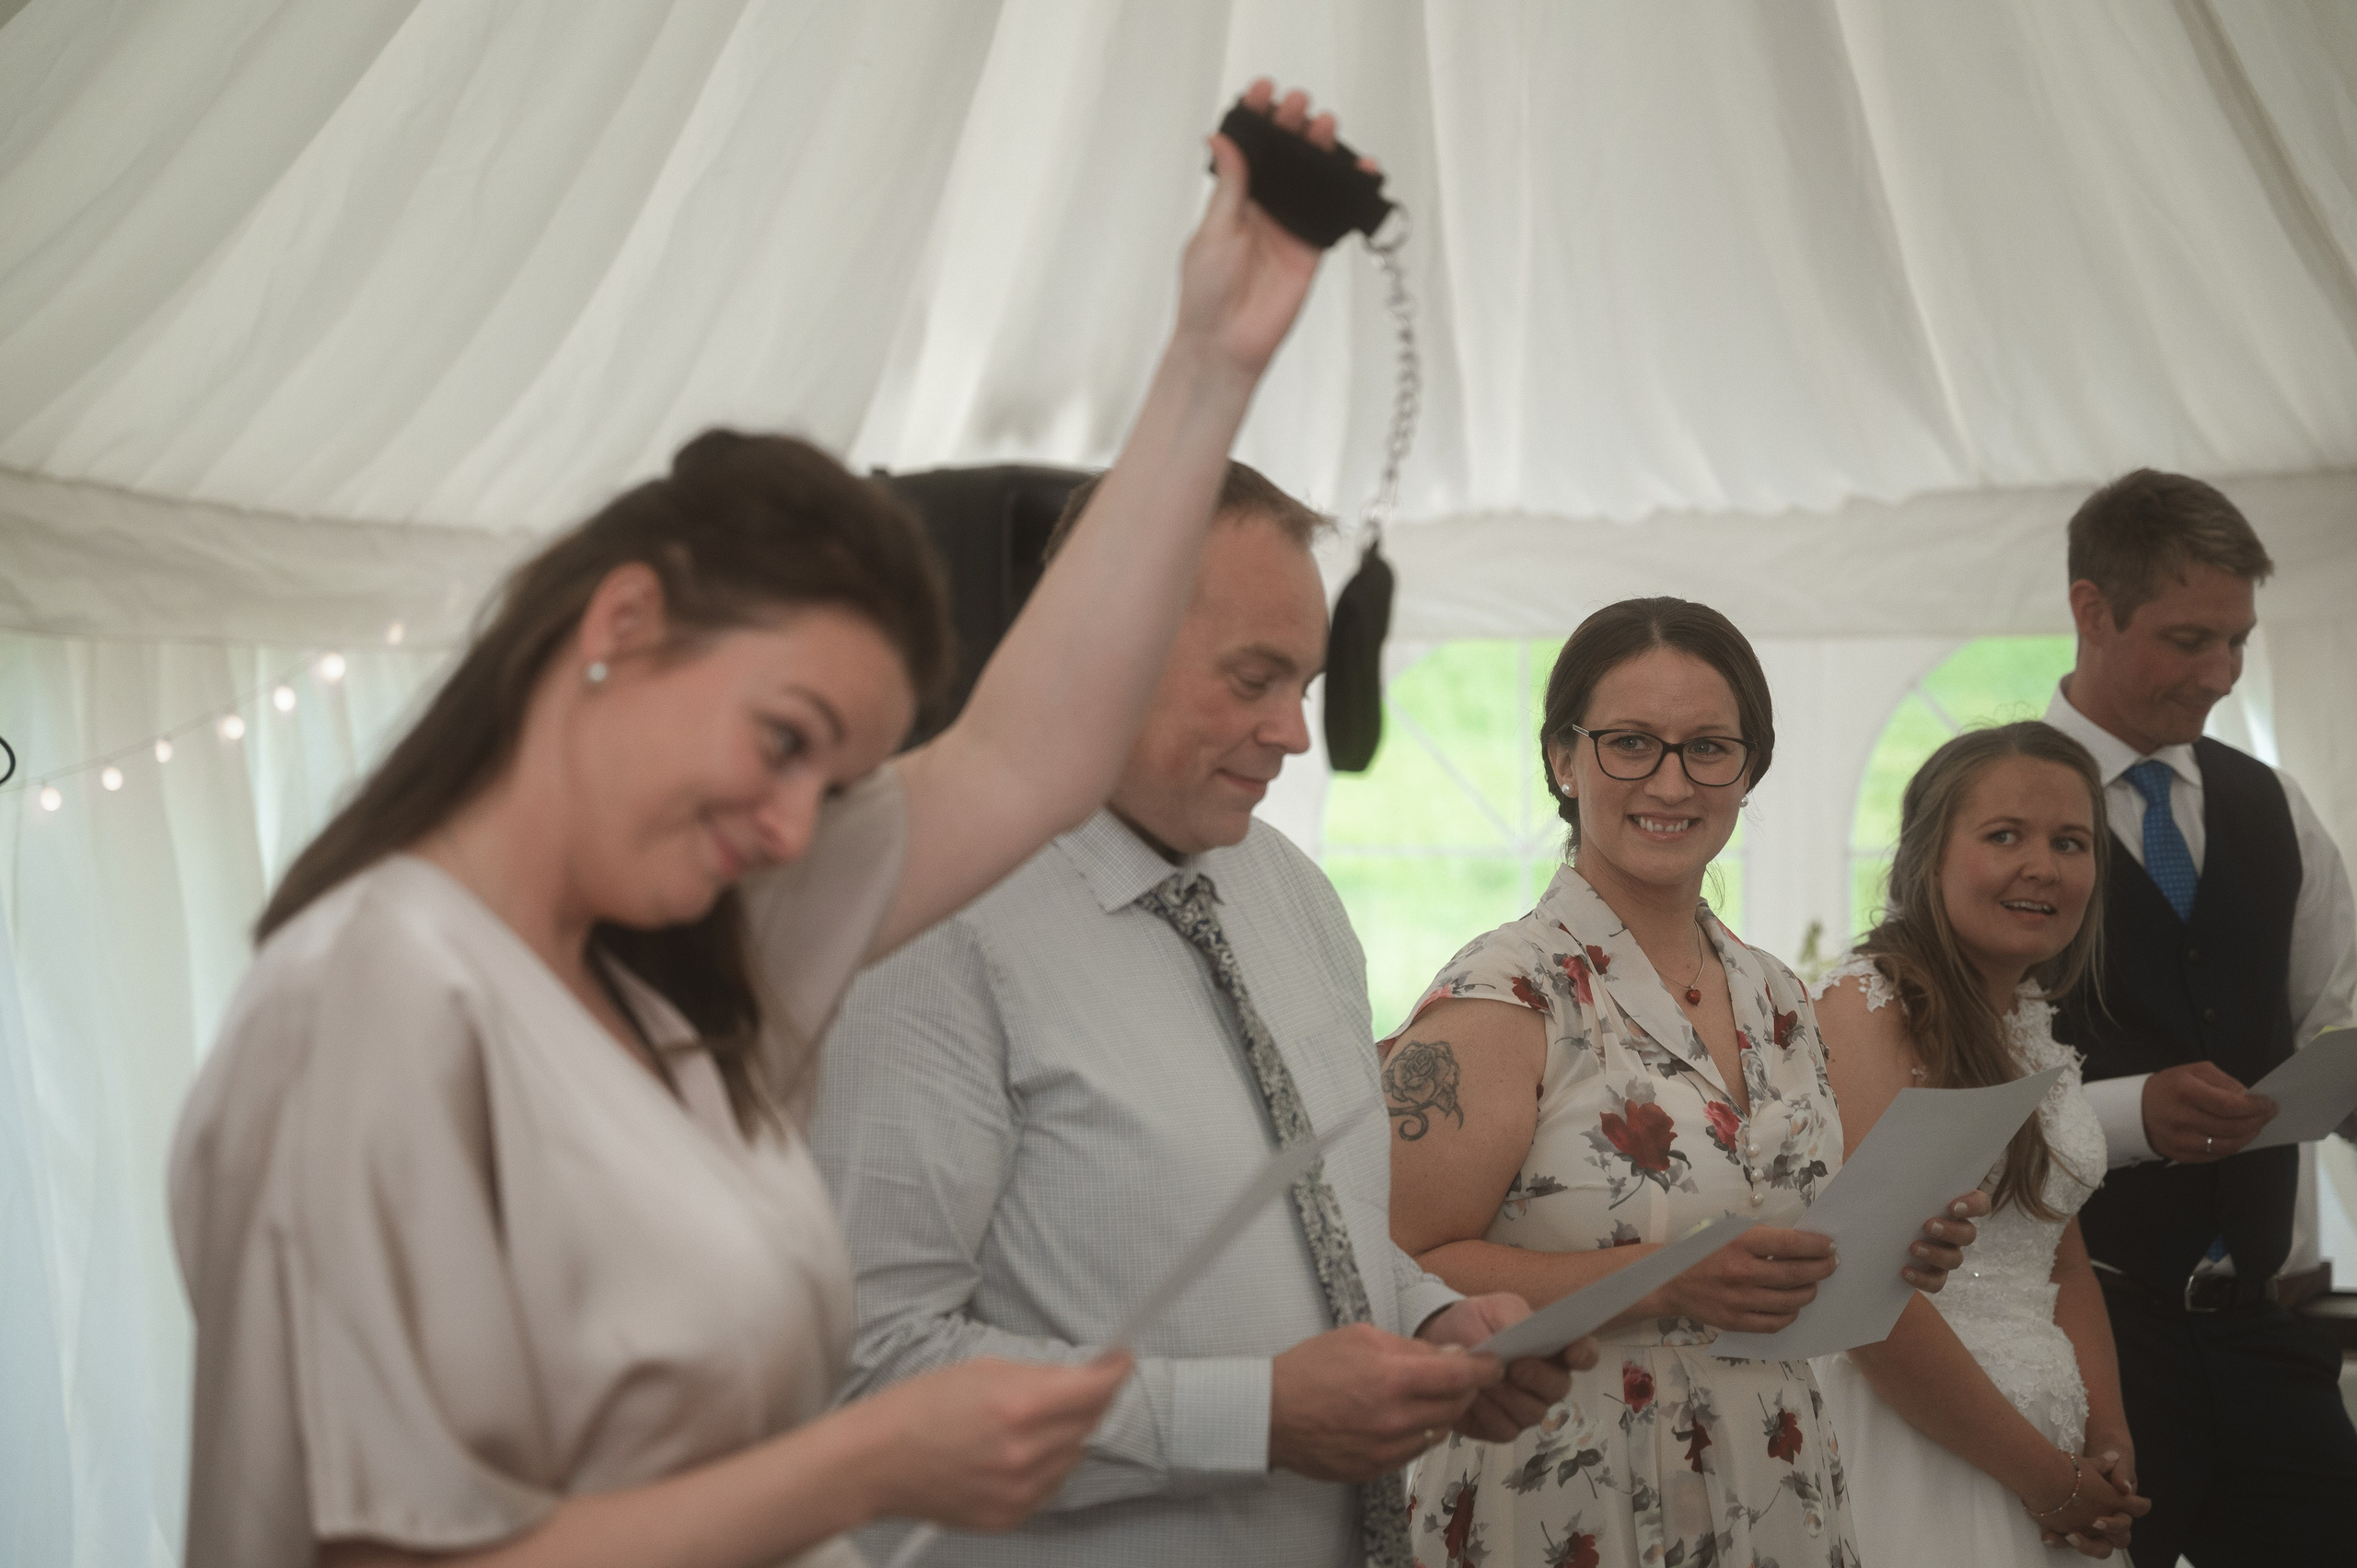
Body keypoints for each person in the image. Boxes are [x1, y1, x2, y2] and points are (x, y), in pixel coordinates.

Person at [167, 80, 1350, 1568]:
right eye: (785, 741)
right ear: (625, 621)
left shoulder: (694, 947)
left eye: (839, 775)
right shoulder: (379, 997)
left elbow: (1021, 759)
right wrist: (860, 1462)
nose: (798, 825)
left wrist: (1209, 363)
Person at [811, 460, 1595, 1568]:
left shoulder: (1291, 893)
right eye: (1251, 679)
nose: (1293, 733)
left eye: (1308, 685)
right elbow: (868, 1368)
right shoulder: (931, 922)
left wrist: (1425, 1321)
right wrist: (1252, 1414)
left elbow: (1312, 1217)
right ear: (1098, 647)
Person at [1382, 597, 1991, 1568]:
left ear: (1749, 769)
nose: (1670, 780)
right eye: (1630, 742)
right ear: (1561, 759)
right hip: (1566, 1485)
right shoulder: (1503, 993)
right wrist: (1659, 1277)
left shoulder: (1782, 998)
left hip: (1772, 1475)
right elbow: (1393, 1266)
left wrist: (1881, 1247)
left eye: (1708, 747)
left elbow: (1784, 1242)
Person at [2040, 469, 2357, 1566]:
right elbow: (1945, 1084)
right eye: (2187, 640)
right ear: (2090, 608)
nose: (2221, 675)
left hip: (2261, 1317)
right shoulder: (1991, 801)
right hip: (2083, 1330)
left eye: (2237, 641)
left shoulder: (2272, 804)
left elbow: (2337, 1017)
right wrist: (2134, 1114)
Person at [1811, 722, 2152, 1563]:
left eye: (2070, 842)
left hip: (2051, 1440)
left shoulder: (2033, 1023)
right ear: (1929, 858)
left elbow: (2058, 1256)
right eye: (2005, 835)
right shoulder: (1868, 1008)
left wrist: (2106, 1435)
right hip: (1917, 1442)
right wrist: (2043, 1478)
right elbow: (1865, 1298)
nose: (2043, 865)